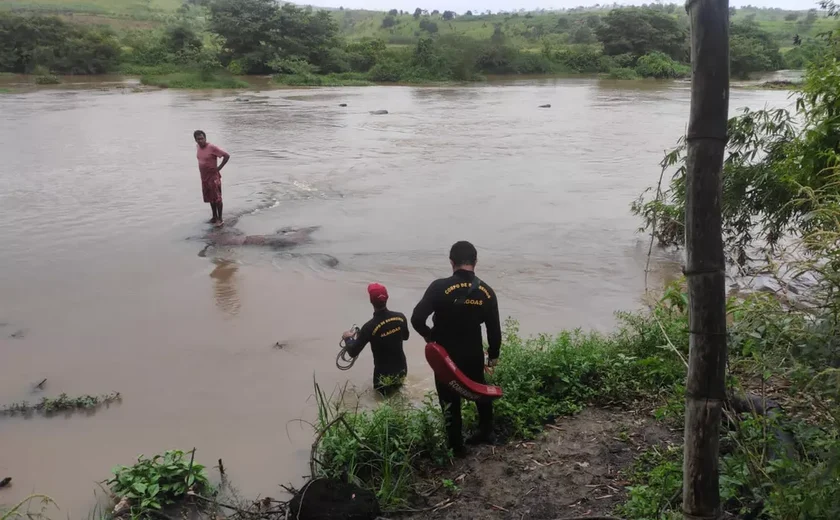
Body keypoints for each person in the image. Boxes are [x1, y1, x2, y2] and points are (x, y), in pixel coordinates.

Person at [411, 240, 502, 457]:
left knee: (449, 399)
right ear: (475, 261)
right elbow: (494, 332)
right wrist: (493, 357)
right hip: (472, 353)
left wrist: (429, 336)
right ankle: (486, 432)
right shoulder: (486, 292)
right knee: (481, 390)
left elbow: (416, 318)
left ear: (451, 262)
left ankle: (456, 446)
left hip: (445, 356)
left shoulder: (438, 287)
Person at [342, 283, 410, 396]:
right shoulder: (400, 317)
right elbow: (405, 337)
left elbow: (353, 351)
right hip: (401, 368)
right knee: (398, 397)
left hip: (382, 375)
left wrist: (348, 338)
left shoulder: (369, 327)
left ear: (371, 301)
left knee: (382, 402)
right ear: (387, 297)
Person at [194, 130, 230, 226]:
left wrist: (219, 168)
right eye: (198, 139)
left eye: (202, 138)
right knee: (210, 198)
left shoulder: (212, 147)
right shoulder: (198, 147)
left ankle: (220, 218)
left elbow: (226, 156)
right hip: (204, 178)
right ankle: (214, 217)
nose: (200, 141)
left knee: (217, 199)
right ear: (195, 140)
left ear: (205, 138)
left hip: (213, 177)